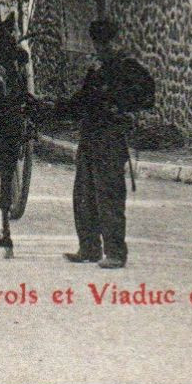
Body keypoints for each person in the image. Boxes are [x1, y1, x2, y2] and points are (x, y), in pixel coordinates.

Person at [55, 17, 156, 269]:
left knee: (108, 195)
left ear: (115, 41)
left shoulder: (128, 68)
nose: (101, 48)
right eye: (98, 44)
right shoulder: (97, 69)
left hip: (110, 138)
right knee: (83, 194)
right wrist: (56, 109)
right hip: (89, 136)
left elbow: (146, 97)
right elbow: (81, 101)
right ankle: (88, 248)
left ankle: (115, 253)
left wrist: (119, 104)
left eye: (105, 43)